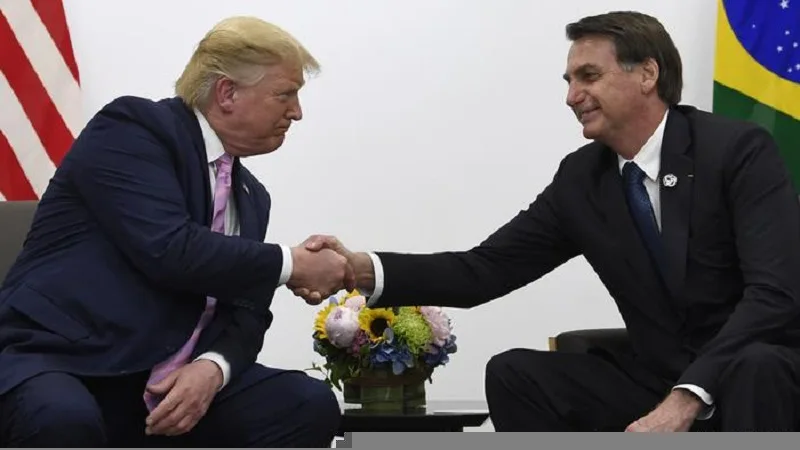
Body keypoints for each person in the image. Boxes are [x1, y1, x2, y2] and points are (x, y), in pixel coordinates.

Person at [294, 11, 800, 432]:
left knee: (759, 367)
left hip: (748, 371)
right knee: (516, 373)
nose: (571, 96)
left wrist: (689, 395)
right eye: (569, 81)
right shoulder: (583, 179)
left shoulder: (735, 151)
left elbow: (774, 295)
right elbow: (483, 270)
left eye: (589, 77)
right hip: (657, 379)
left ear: (647, 74)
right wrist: (358, 270)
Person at [0, 16, 350, 447]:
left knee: (306, 405)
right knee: (63, 419)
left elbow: (248, 311)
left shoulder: (252, 197)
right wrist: (293, 264)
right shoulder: (133, 130)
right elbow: (171, 249)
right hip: (68, 361)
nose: (296, 112)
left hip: (166, 386)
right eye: (285, 94)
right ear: (227, 92)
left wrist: (213, 367)